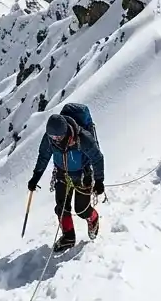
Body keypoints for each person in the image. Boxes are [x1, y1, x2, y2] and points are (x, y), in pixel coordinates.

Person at [27, 106, 105, 251]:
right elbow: (44, 156)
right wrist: (35, 177)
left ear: (66, 131)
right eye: (53, 137)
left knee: (81, 210)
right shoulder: (50, 139)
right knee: (61, 208)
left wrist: (99, 181)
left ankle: (93, 218)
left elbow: (97, 158)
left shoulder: (83, 138)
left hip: (83, 175)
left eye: (58, 137)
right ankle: (68, 237)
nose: (56, 140)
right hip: (61, 174)